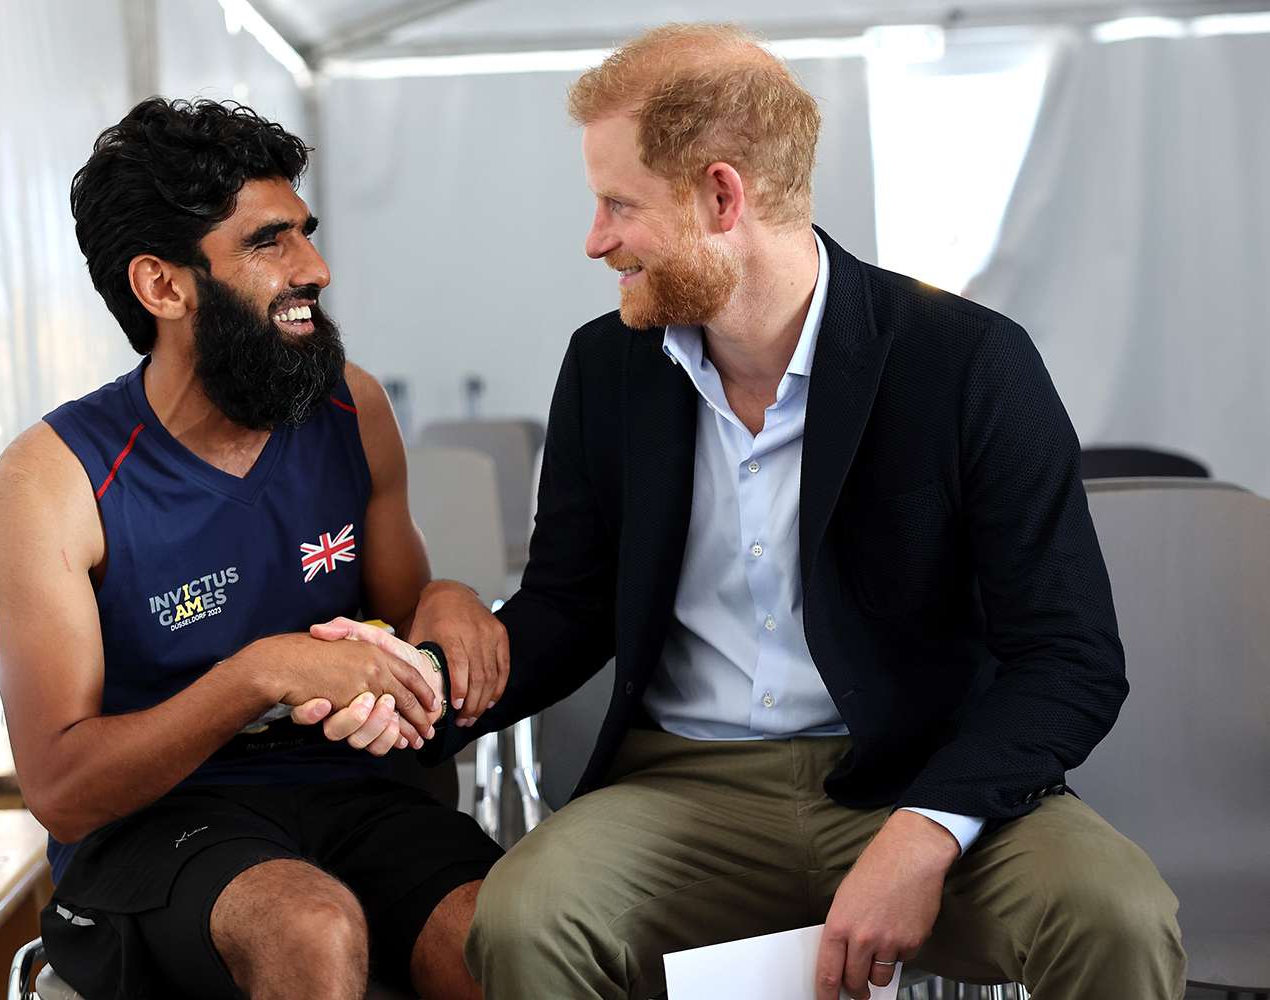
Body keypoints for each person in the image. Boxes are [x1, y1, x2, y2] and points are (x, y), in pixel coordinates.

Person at [417, 23, 1186, 1000]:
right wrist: (425, 693)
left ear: (721, 195)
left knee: (1115, 913)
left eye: (618, 203)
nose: (595, 238)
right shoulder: (606, 365)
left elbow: (1070, 657)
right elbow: (567, 608)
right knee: (523, 917)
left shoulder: (968, 361)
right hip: (682, 786)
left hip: (920, 772)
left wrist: (928, 827)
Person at [0, 98, 506, 1000]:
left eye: (306, 232)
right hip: (157, 824)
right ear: (164, 287)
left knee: (497, 938)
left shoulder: (352, 407)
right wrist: (261, 674)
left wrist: (449, 600)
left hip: (353, 797)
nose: (316, 267)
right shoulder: (51, 480)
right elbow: (62, 789)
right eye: (269, 243)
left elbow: (403, 619)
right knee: (310, 929)